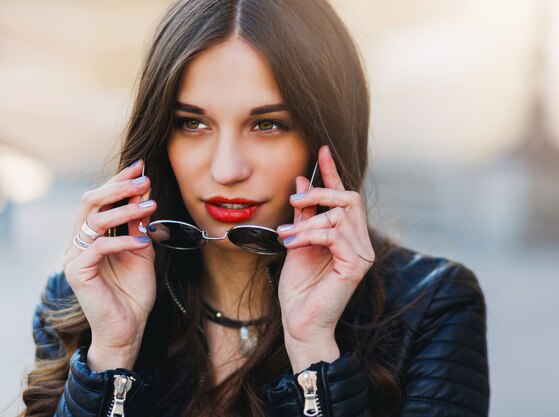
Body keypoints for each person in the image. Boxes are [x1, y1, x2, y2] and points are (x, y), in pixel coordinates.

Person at [21, 1, 489, 416]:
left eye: (267, 124)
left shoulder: (432, 307)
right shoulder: (80, 301)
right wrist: (111, 356)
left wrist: (314, 355)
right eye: (192, 123)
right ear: (160, 135)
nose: (227, 169)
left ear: (326, 133)